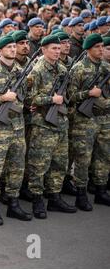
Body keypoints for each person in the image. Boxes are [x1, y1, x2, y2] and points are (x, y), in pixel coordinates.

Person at [0, 35, 33, 225]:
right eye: (9, 47)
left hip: (18, 127)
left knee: (17, 167)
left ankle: (13, 203)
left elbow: (27, 98)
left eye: (14, 46)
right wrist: (1, 98)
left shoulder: (22, 71)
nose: (13, 49)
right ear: (0, 51)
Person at [25, 35, 77, 219]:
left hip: (61, 122)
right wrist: (50, 99)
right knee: (39, 163)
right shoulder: (36, 71)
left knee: (60, 162)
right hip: (43, 124)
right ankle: (37, 199)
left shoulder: (63, 69)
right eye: (53, 48)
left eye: (58, 48)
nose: (57, 51)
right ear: (43, 50)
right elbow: (29, 99)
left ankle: (54, 197)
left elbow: (69, 96)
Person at [68, 34, 110, 210]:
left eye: (102, 46)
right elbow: (70, 96)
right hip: (85, 119)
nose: (101, 49)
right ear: (88, 49)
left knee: (104, 155)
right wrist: (87, 94)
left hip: (105, 117)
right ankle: (81, 193)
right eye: (97, 47)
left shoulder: (106, 67)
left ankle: (101, 190)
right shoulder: (78, 69)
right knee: (83, 158)